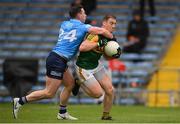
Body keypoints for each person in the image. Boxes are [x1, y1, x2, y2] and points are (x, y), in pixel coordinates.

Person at [12, 5, 113, 120]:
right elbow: (101, 31)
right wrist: (112, 37)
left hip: (58, 58)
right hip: (57, 60)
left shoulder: (64, 24)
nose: (85, 15)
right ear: (79, 14)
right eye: (84, 13)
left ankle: (62, 112)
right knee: (49, 93)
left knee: (70, 84)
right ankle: (20, 101)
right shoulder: (83, 27)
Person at [72, 15, 121, 120]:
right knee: (98, 94)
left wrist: (114, 55)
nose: (114, 26)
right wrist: (98, 43)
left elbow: (106, 58)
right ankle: (77, 81)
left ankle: (105, 115)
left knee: (110, 90)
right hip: (83, 67)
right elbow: (82, 47)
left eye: (115, 24)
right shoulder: (96, 34)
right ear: (104, 23)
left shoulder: (110, 37)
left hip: (96, 65)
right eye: (111, 23)